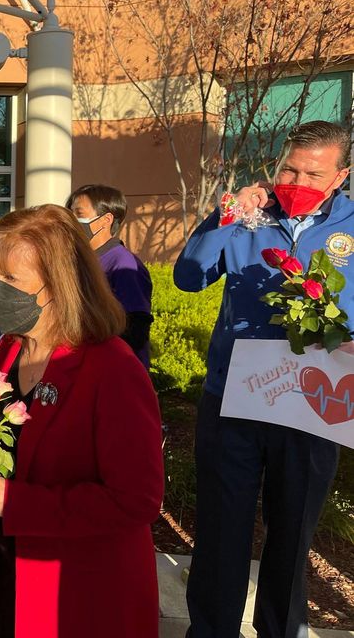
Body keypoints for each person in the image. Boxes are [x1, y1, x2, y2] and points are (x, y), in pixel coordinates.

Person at [0, 205, 163, 638]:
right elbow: (4, 457)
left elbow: (137, 500)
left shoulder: (112, 369)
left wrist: (13, 502)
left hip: (80, 591)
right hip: (14, 571)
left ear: (61, 284)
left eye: (12, 279)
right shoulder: (9, 350)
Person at [174, 120, 354, 638]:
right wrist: (225, 217)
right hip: (233, 398)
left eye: (313, 174)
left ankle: (281, 630)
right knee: (221, 530)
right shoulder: (248, 215)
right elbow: (189, 277)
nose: (297, 182)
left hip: (313, 402)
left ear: (340, 175)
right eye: (289, 170)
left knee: (292, 535)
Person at [67, 184, 153, 368]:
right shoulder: (80, 261)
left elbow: (135, 331)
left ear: (106, 220)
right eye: (70, 214)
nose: (71, 221)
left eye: (79, 214)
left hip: (116, 371)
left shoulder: (124, 264)